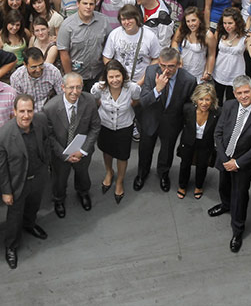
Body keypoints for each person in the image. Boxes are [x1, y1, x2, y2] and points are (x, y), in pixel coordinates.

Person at [208, 75, 251, 253]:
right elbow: (218, 133)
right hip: (225, 157)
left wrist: (237, 163)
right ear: (234, 94)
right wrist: (224, 158)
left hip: (243, 163)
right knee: (224, 185)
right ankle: (225, 204)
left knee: (240, 196)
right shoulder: (228, 106)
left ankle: (237, 229)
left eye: (247, 92)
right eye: (239, 93)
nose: (243, 96)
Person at [0, 94, 50, 269]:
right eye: (22, 111)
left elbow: (46, 143)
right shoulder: (3, 136)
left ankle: (30, 225)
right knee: (14, 216)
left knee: (34, 206)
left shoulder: (40, 123)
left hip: (38, 177)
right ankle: (11, 245)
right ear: (14, 112)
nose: (26, 115)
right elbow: (1, 168)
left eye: (30, 111)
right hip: (18, 183)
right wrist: (6, 191)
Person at [134, 47, 196, 193]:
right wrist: (157, 89)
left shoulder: (189, 80)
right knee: (145, 149)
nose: (166, 70)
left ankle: (163, 174)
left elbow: (189, 105)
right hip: (150, 119)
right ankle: (142, 174)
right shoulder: (150, 72)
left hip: (172, 122)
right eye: (162, 65)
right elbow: (143, 101)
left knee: (167, 152)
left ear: (179, 64)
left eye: (171, 66)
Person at [43, 72, 101, 217]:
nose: (75, 92)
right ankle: (59, 199)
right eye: (71, 87)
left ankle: (83, 192)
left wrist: (84, 150)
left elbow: (95, 127)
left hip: (82, 151)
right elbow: (49, 136)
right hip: (60, 154)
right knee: (59, 179)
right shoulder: (50, 108)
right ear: (62, 87)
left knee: (82, 174)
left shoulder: (90, 101)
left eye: (78, 87)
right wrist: (63, 155)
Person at [92, 60, 141, 203]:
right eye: (111, 77)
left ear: (123, 76)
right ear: (106, 78)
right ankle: (109, 172)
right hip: (105, 125)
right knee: (106, 151)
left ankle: (119, 181)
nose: (114, 80)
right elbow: (95, 100)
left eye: (117, 76)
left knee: (122, 155)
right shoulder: (98, 88)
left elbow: (136, 101)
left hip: (124, 126)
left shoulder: (132, 88)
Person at [177, 83, 220, 200]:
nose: (204, 103)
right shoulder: (187, 109)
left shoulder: (217, 113)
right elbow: (180, 124)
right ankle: (182, 185)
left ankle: (199, 186)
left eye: (208, 99)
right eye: (201, 99)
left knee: (202, 165)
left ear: (212, 100)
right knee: (185, 164)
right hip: (188, 141)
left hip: (206, 144)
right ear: (196, 99)